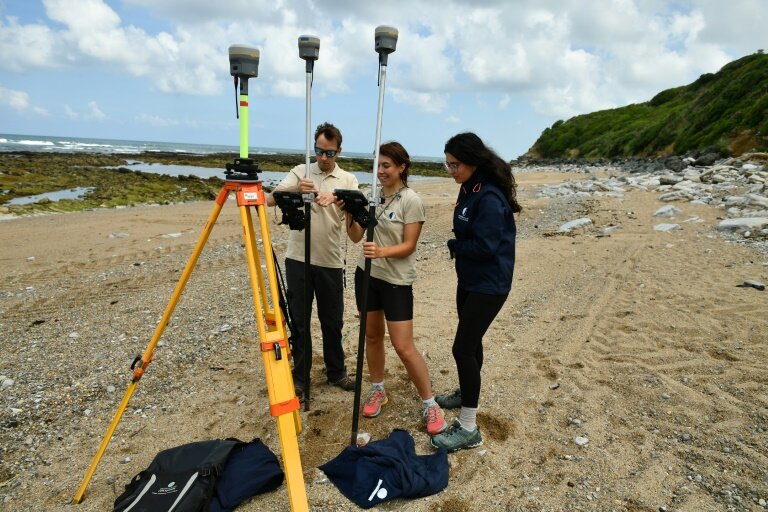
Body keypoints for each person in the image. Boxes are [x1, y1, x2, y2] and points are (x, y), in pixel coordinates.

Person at [343, 141, 447, 436]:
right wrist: (349, 212)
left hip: (396, 281)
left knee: (403, 346)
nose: (381, 171)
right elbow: (355, 237)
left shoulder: (411, 200)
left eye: (387, 165)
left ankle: (430, 403)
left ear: (402, 167)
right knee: (372, 336)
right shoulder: (372, 196)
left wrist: (381, 252)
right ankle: (378, 389)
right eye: (377, 165)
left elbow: (409, 245)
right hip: (367, 275)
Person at [430, 132, 521, 452]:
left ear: (473, 162)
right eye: (447, 164)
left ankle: (469, 427)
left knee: (462, 349)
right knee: (472, 343)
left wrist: (455, 245)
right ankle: (467, 392)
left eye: (455, 165)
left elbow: (486, 247)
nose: (451, 170)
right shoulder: (469, 187)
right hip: (469, 280)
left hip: (490, 285)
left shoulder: (490, 198)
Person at [267, 122, 358, 396]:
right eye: (319, 151)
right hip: (298, 259)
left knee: (333, 322)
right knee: (299, 321)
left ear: (339, 151)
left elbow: (356, 218)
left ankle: (336, 372)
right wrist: (298, 189)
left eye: (329, 153)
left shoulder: (348, 180)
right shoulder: (300, 171)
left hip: (330, 261)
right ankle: (300, 378)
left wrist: (341, 199)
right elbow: (271, 200)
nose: (323, 157)